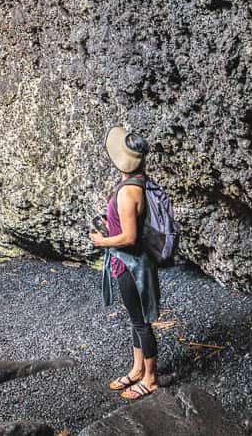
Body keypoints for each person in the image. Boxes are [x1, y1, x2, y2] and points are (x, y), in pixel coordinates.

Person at [89, 125, 161, 401]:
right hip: (128, 263)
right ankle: (136, 369)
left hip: (132, 266)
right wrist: (110, 225)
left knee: (141, 322)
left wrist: (101, 241)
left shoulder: (128, 191)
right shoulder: (137, 182)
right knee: (135, 319)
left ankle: (151, 378)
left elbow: (130, 237)